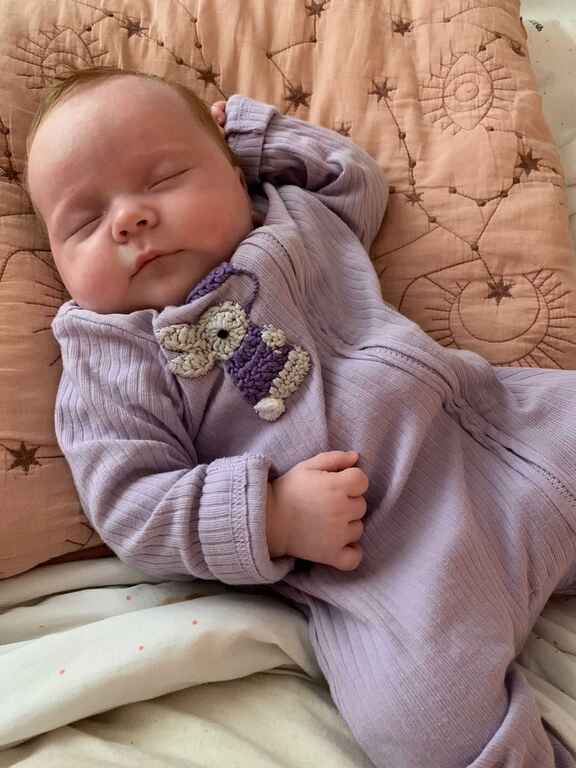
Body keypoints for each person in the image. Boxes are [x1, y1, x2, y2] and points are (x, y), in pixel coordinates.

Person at [26, 66, 576, 768]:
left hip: (507, 428)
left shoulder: (295, 221)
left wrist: (250, 134)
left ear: (234, 175)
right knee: (420, 718)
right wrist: (270, 514)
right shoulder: (112, 354)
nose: (129, 219)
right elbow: (129, 503)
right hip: (390, 568)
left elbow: (353, 175)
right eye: (83, 222)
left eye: (164, 178)